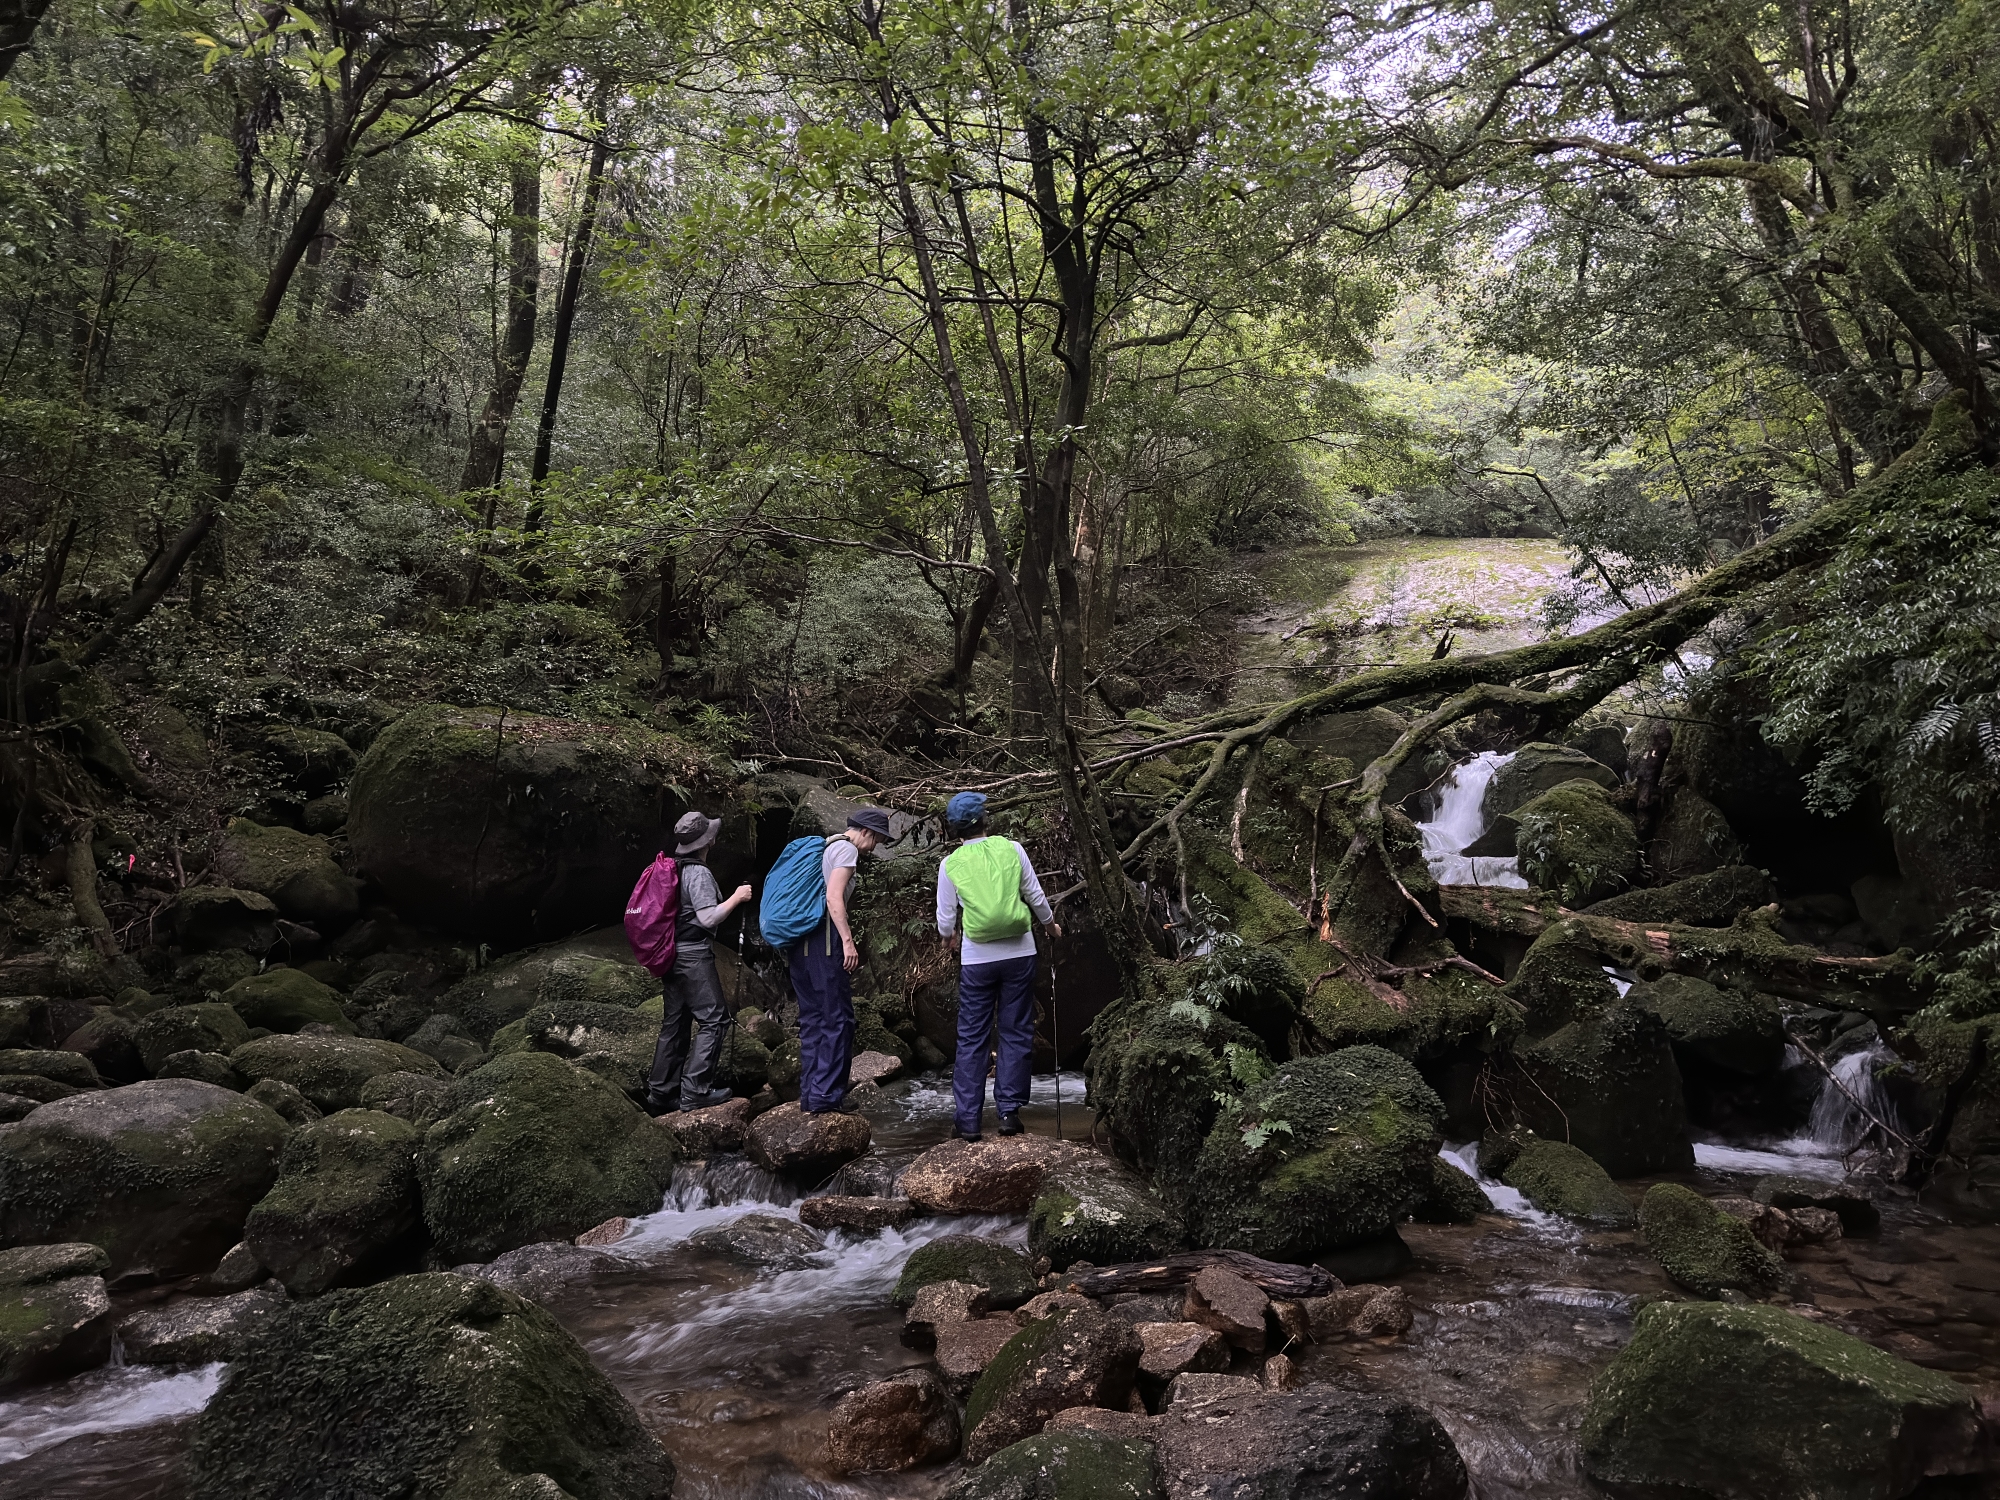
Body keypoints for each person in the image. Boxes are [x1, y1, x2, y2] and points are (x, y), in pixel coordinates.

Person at [936, 791, 1059, 1142]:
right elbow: (1034, 895)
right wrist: (1050, 926)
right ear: (986, 820)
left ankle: (968, 1121)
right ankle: (1008, 1114)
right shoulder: (1012, 849)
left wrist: (948, 938)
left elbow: (946, 919)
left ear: (954, 829)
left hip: (977, 959)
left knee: (972, 1036)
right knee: (1015, 1030)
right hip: (1020, 952)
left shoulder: (950, 864)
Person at [645, 810, 752, 1116]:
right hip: (692, 954)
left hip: (669, 952)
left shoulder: (668, 867)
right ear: (709, 841)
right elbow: (707, 917)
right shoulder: (698, 873)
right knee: (714, 1020)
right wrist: (736, 897)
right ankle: (695, 1092)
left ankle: (661, 1093)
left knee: (675, 1022)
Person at [789, 806, 893, 1114]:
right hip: (823, 940)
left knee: (812, 1020)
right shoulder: (846, 851)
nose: (875, 847)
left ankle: (810, 1094)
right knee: (838, 1019)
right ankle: (827, 1097)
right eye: (877, 840)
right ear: (865, 832)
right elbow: (834, 897)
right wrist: (847, 940)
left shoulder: (824, 845)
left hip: (799, 942)